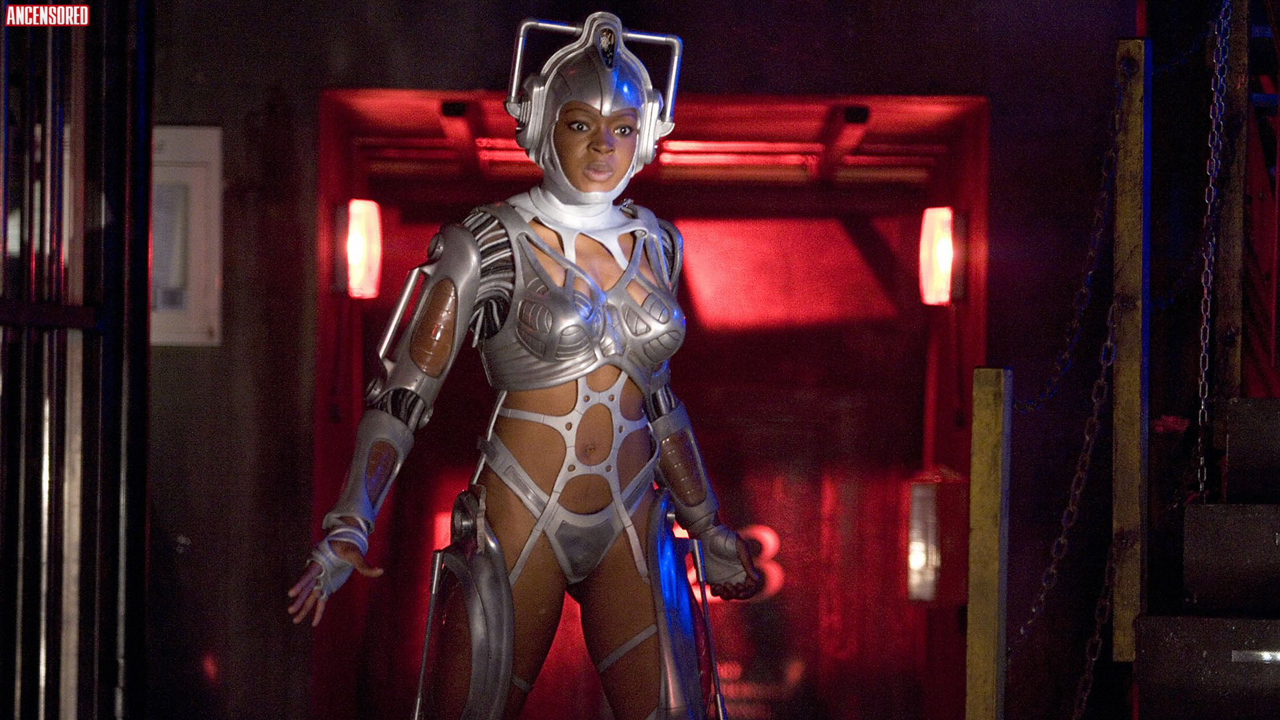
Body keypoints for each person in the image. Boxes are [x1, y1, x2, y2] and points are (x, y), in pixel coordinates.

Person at [287, 12, 761, 720]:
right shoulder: (488, 241)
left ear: (645, 135)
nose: (603, 145)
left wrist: (709, 524)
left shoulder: (657, 243)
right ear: (542, 124)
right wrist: (350, 522)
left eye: (622, 127)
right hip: (521, 512)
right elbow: (403, 396)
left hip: (632, 516)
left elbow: (659, 399)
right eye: (581, 124)